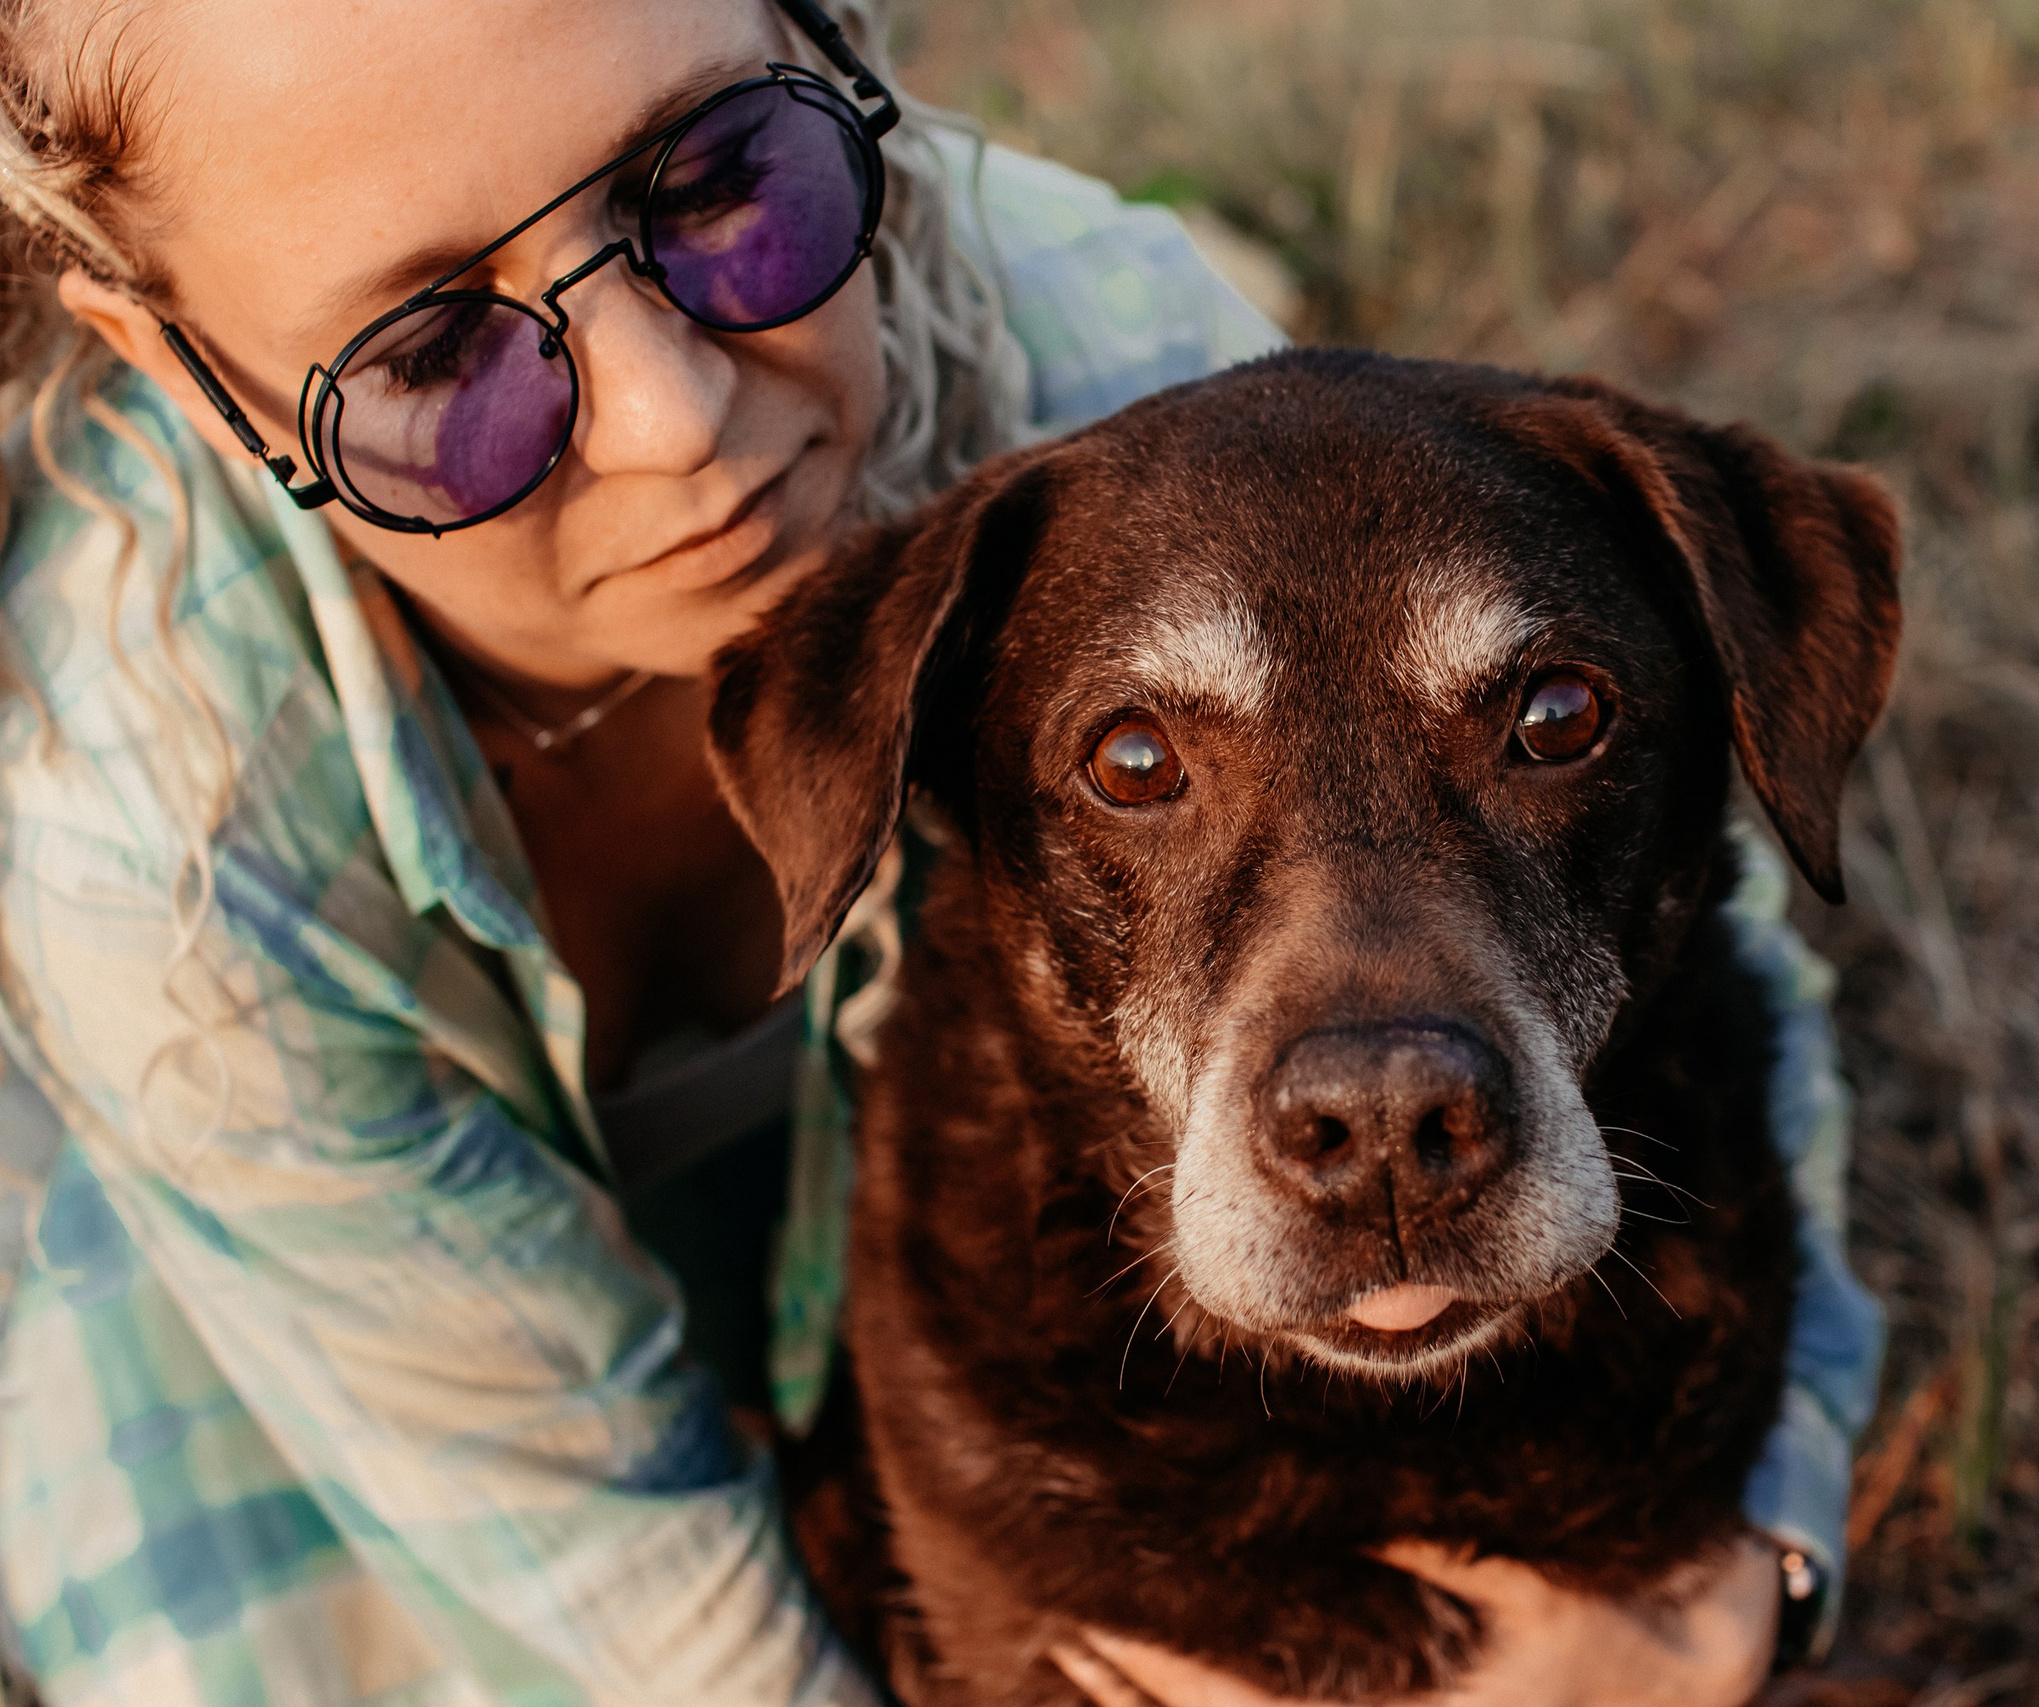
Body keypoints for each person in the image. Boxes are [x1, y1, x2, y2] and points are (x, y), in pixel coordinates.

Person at [0, 1, 1882, 1703]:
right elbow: (622, 1593)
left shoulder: (1129, 370)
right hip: (368, 1355)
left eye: (718, 177)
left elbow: (1730, 990)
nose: (675, 416)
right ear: (180, 365)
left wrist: (1725, 1602)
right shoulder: (145, 838)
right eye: (427, 351)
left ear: (836, 43)